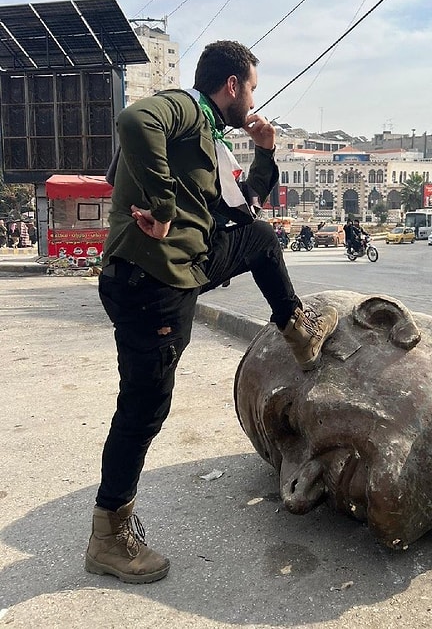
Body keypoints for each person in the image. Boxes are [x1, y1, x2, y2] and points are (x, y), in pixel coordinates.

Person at [85, 40, 339, 585]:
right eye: (251, 87)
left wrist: (266, 151)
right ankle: (109, 535)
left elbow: (246, 210)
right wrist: (161, 206)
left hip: (182, 270)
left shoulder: (213, 137)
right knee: (144, 409)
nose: (253, 98)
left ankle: (298, 331)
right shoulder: (181, 108)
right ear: (232, 85)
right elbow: (132, 120)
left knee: (262, 239)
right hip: (148, 281)